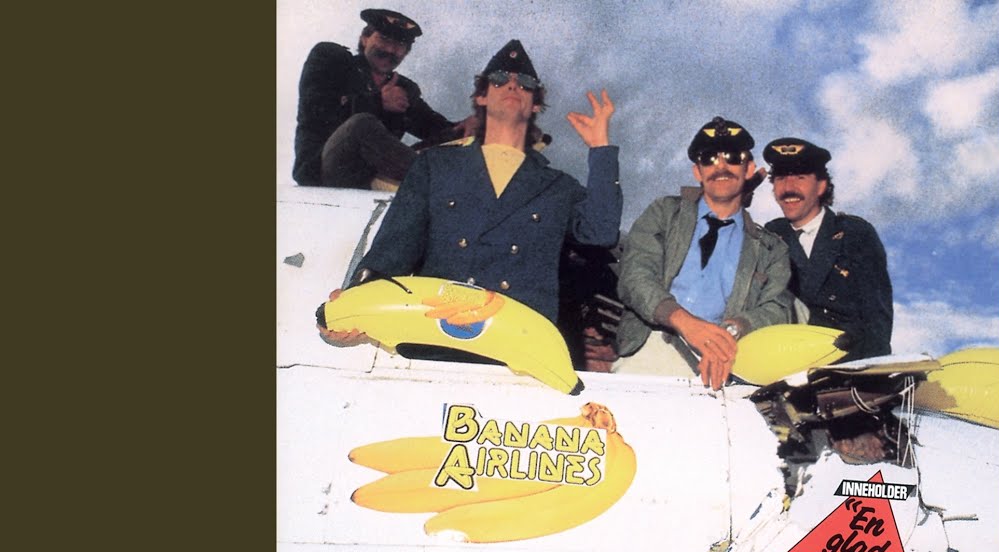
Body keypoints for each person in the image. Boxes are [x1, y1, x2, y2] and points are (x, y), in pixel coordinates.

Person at [320, 38, 622, 344]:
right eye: (500, 79)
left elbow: (601, 231)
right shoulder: (435, 166)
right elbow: (394, 250)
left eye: (525, 83)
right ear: (481, 97)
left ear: (536, 104)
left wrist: (601, 149)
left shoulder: (557, 186)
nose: (512, 85)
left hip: (518, 344)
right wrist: (354, 307)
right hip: (437, 335)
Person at [611, 117, 791, 390]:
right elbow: (635, 275)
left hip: (725, 359)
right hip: (652, 346)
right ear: (697, 171)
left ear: (749, 169)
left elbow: (778, 309)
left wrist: (731, 332)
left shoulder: (771, 248)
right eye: (709, 158)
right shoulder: (664, 213)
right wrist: (685, 323)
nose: (721, 166)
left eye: (732, 157)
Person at [292, 8, 474, 189]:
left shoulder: (403, 89)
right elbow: (317, 110)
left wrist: (468, 125)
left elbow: (433, 128)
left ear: (406, 52)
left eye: (400, 44)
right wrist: (378, 102)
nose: (390, 49)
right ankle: (447, 186)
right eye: (384, 38)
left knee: (463, 136)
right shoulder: (333, 61)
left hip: (374, 175)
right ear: (364, 38)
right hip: (322, 171)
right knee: (361, 125)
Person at [762, 137, 893, 360]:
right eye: (781, 178)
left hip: (844, 359)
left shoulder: (855, 233)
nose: (789, 188)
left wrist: (871, 369)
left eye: (800, 177)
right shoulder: (771, 235)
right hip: (785, 358)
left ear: (821, 186)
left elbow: (877, 318)